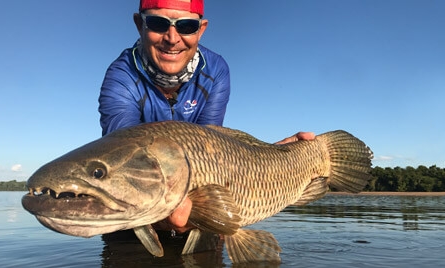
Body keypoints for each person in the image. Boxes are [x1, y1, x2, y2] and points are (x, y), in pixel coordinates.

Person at [98, 0, 314, 233]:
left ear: (201, 29)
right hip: (138, 206)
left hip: (199, 197)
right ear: (139, 25)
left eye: (186, 26)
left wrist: (270, 157)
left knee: (209, 231)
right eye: (158, 23)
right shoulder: (120, 76)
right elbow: (123, 151)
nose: (172, 38)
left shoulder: (216, 70)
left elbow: (211, 148)